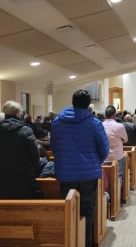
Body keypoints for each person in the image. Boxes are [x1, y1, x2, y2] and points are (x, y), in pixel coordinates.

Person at [50, 90, 109, 247]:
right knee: (86, 211)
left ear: (72, 101)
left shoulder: (57, 122)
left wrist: (64, 162)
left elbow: (54, 146)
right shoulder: (94, 123)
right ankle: (84, 243)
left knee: (68, 211)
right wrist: (95, 162)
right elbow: (104, 149)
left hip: (66, 173)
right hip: (88, 175)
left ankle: (70, 243)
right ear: (89, 104)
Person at [0, 101, 41, 199]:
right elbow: (35, 156)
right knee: (24, 211)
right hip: (23, 178)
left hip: (0, 178)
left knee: (3, 212)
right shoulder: (25, 130)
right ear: (18, 114)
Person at [103, 105, 128, 187]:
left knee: (104, 178)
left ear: (105, 115)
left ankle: (106, 196)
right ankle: (117, 198)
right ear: (114, 115)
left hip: (104, 156)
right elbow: (125, 139)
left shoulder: (100, 125)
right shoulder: (119, 126)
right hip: (117, 156)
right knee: (118, 176)